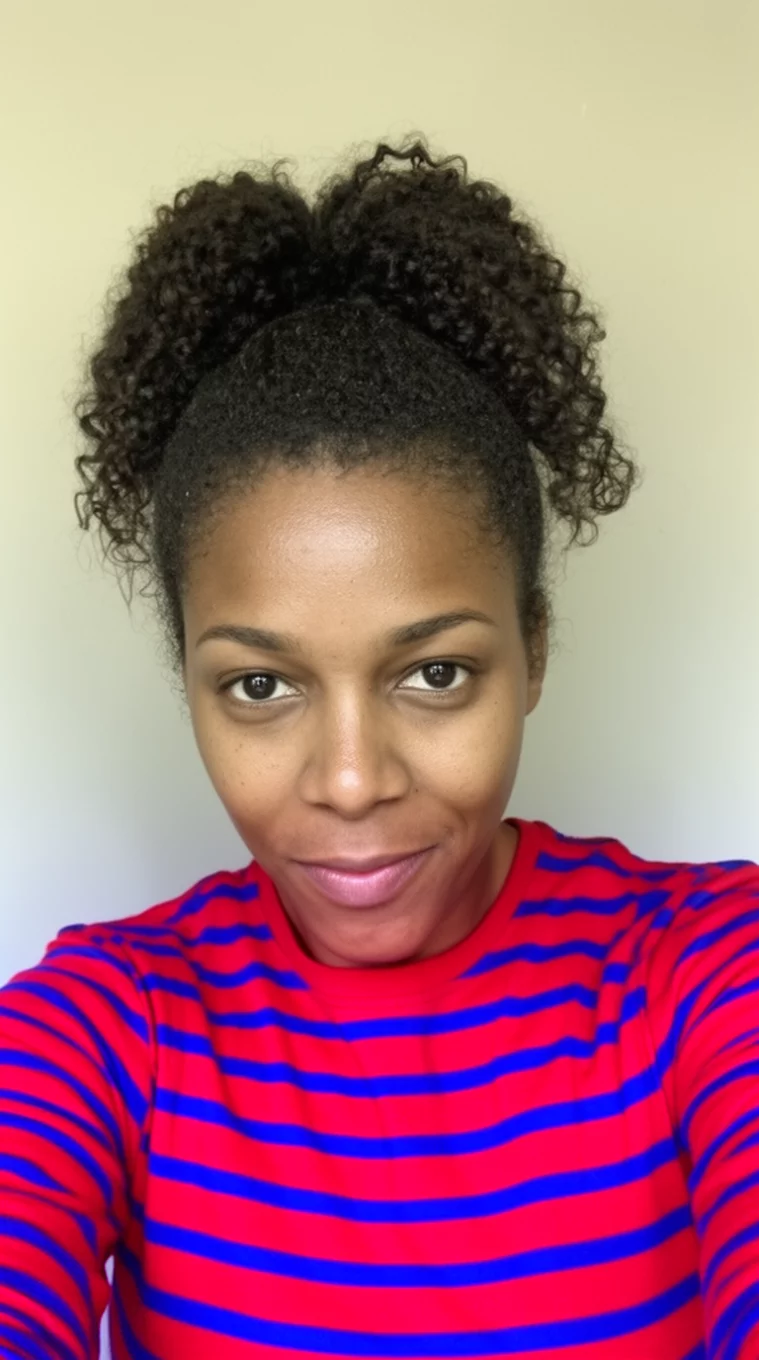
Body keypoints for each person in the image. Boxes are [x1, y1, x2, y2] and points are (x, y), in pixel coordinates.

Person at [0, 135, 756, 1360]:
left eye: (434, 673)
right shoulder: (102, 1027)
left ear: (535, 649)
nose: (352, 781)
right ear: (189, 679)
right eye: (260, 685)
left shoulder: (707, 972)